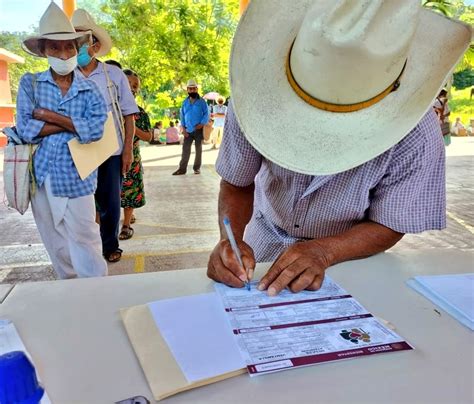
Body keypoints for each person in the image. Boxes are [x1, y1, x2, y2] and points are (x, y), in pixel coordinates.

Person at [207, 0, 471, 296]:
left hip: (349, 259)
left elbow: (391, 222)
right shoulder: (252, 97)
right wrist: (228, 241)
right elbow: (236, 184)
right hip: (262, 244)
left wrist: (325, 251)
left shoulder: (416, 135)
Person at [16, 3, 108, 279]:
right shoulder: (30, 84)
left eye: (68, 47)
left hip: (77, 176)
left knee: (86, 237)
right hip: (42, 176)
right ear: (43, 50)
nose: (63, 53)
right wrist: (72, 125)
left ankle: (96, 293)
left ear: (76, 49)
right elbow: (25, 128)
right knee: (54, 241)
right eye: (54, 48)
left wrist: (47, 115)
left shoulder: (89, 87)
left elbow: (95, 131)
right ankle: (69, 292)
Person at [72, 9, 139, 263]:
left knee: (110, 203)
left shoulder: (113, 75)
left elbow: (129, 114)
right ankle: (85, 249)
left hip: (110, 150)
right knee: (81, 205)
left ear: (94, 45)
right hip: (76, 149)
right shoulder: (66, 76)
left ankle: (110, 245)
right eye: (72, 41)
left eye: (81, 41)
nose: (75, 47)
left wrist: (128, 151)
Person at [119, 69, 152, 240]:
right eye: (128, 84)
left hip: (132, 158)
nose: (132, 89)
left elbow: (148, 136)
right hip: (110, 158)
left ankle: (126, 225)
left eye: (135, 86)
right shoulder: (108, 108)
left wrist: (131, 127)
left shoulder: (140, 113)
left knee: (130, 191)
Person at [172, 79, 209, 175]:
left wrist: (202, 124)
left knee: (198, 150)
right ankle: (182, 169)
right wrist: (183, 128)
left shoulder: (202, 102)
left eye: (194, 89)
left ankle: (196, 168)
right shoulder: (184, 102)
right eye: (190, 89)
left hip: (198, 130)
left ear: (196, 89)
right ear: (187, 90)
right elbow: (182, 116)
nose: (192, 90)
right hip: (187, 130)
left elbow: (206, 114)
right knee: (185, 150)